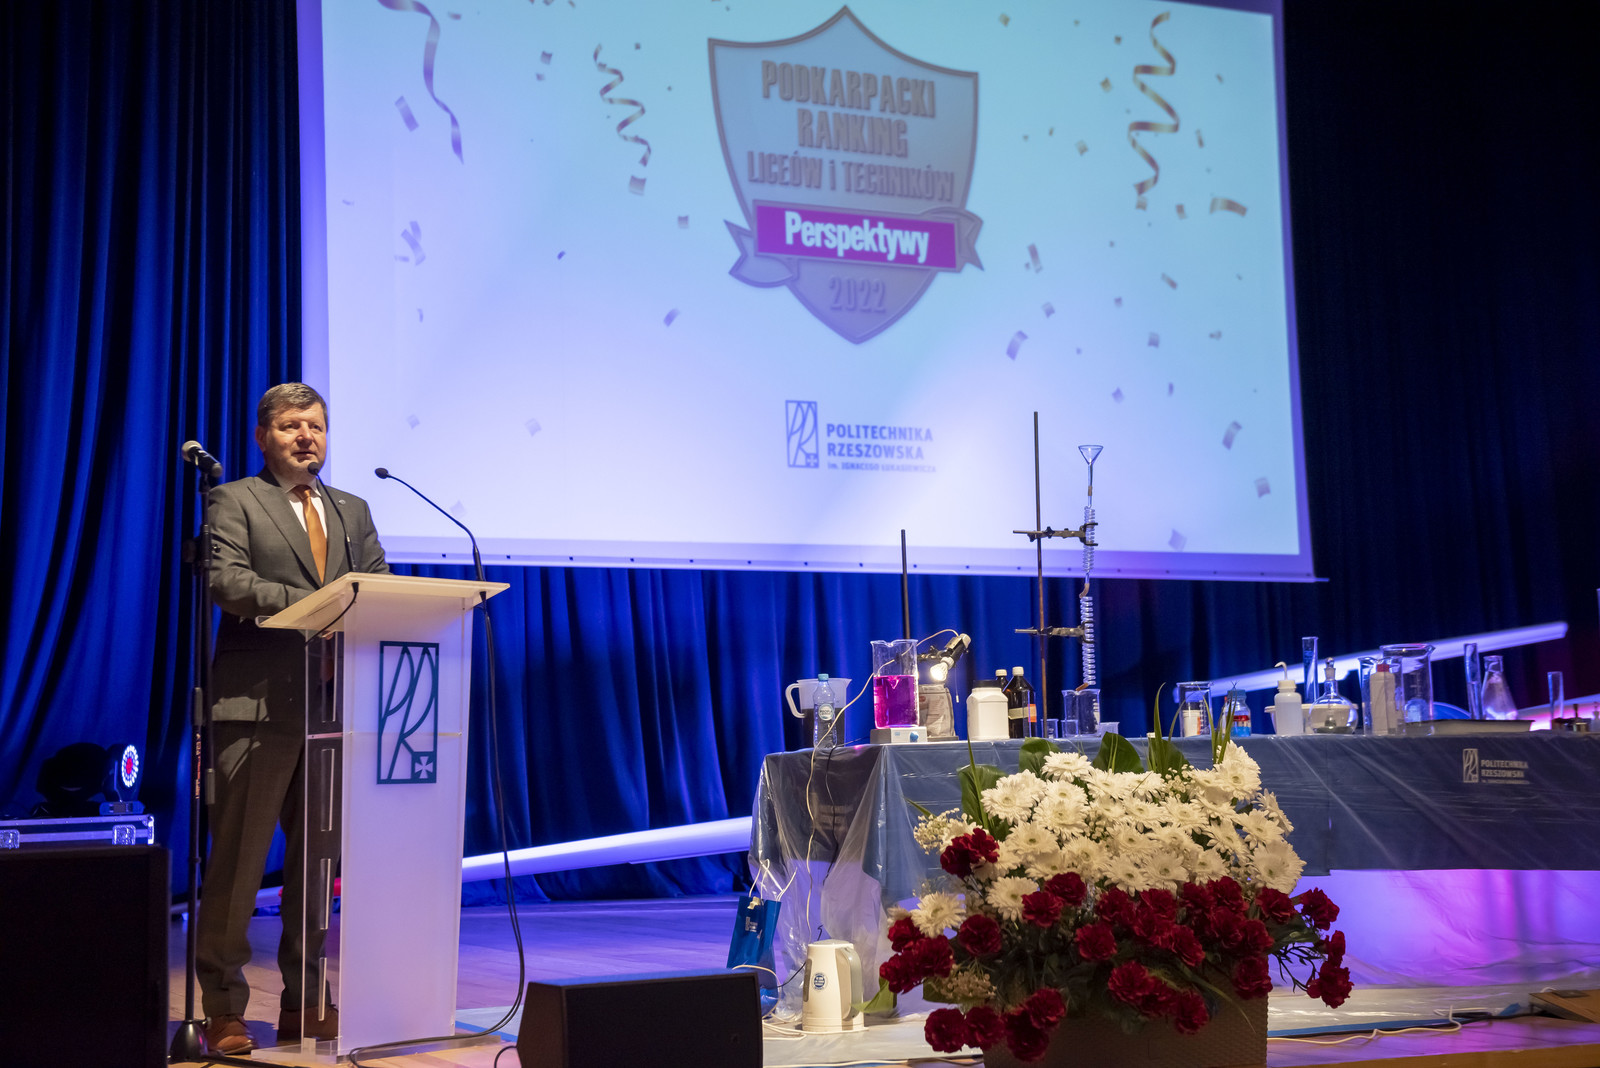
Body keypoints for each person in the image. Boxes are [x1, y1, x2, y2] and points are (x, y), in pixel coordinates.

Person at [197, 383, 390, 1055]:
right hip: (255, 709)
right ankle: (223, 1008)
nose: (306, 436)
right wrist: (323, 606)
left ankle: (305, 1003)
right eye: (290, 426)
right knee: (239, 867)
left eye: (316, 425)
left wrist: (360, 604)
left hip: (331, 712)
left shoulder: (351, 510)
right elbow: (228, 582)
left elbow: (377, 583)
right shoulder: (234, 500)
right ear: (263, 438)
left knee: (315, 870)